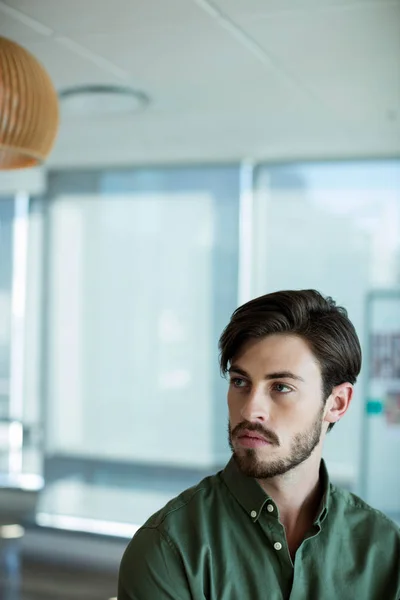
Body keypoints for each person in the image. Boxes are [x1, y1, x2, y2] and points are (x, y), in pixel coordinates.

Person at [118, 290, 400, 599]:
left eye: (281, 387)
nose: (251, 410)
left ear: (337, 403)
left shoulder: (386, 550)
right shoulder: (170, 550)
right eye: (240, 382)